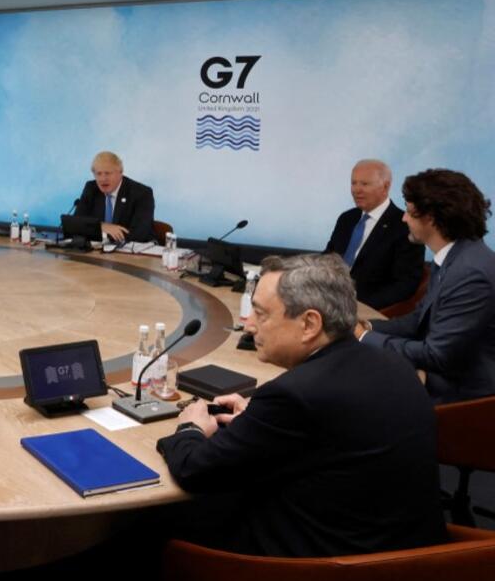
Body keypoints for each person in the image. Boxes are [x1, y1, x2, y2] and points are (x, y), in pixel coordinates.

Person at [157, 253, 445, 557]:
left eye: (261, 314)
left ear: (309, 323)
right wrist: (257, 419)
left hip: (319, 575)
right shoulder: (393, 363)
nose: (249, 325)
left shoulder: (295, 396)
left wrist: (190, 427)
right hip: (411, 563)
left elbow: (195, 470)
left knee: (151, 526)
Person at [359, 168, 495, 402]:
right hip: (443, 379)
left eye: (410, 213)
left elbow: (437, 355)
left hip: (464, 399)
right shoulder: (457, 256)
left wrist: (363, 338)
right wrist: (366, 327)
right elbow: (419, 320)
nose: (403, 218)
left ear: (430, 218)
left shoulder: (470, 273)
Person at [323, 159, 423, 310]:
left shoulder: (404, 226)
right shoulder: (347, 218)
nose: (356, 190)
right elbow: (328, 256)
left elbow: (405, 284)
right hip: (326, 299)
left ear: (386, 186)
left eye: (364, 184)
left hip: (365, 308)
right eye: (353, 183)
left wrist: (359, 306)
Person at [74, 151, 155, 244]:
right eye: (98, 174)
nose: (103, 179)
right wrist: (102, 226)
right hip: (98, 252)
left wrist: (101, 234)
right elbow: (76, 223)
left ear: (120, 172)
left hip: (134, 253)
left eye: (107, 173)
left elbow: (139, 233)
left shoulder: (142, 193)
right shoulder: (91, 188)